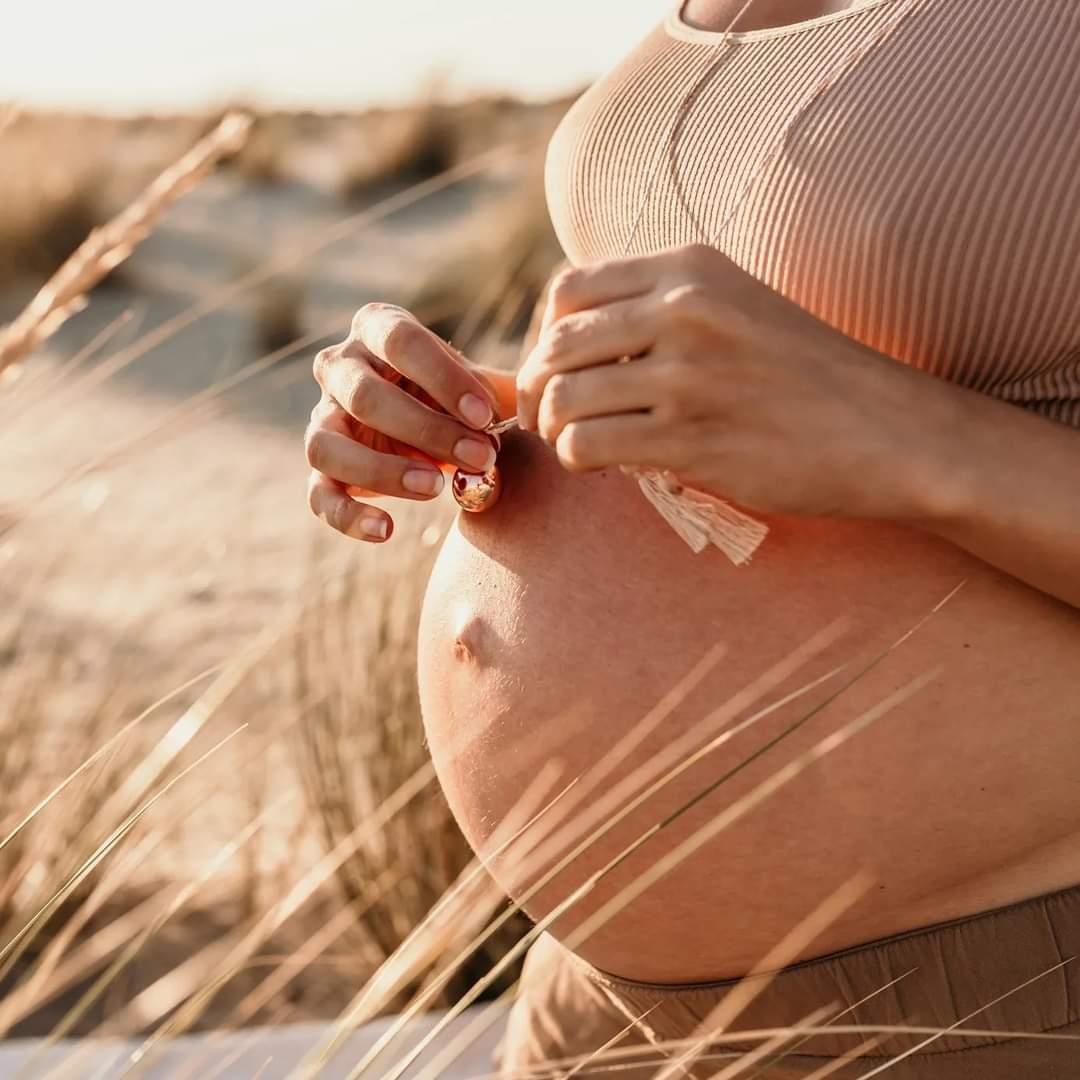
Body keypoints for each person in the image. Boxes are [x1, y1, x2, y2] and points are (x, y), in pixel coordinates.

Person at [305, 1, 1080, 1075]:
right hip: (587, 1000)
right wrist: (487, 413)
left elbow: (879, 391)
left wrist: (922, 438)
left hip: (984, 989)